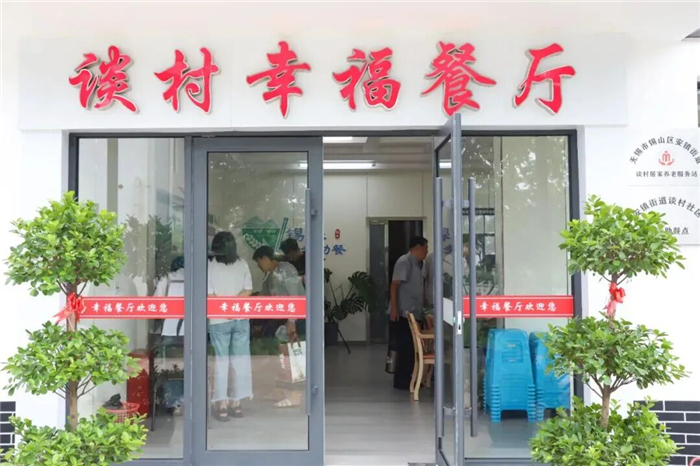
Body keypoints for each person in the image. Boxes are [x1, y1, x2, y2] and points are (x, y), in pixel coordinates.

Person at [208, 232, 253, 422]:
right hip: (240, 318)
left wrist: (224, 309)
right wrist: (234, 307)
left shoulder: (210, 266)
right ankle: (237, 403)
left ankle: (222, 405)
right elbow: (248, 289)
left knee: (221, 361)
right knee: (240, 360)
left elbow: (210, 295)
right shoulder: (242, 263)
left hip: (219, 320)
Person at [253, 245, 306, 408]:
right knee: (278, 355)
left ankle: (296, 395)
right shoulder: (270, 276)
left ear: (265, 258)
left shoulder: (286, 270)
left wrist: (292, 320)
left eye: (258, 262)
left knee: (293, 356)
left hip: (295, 318)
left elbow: (294, 296)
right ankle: (278, 391)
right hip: (280, 319)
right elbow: (264, 297)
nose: (258, 266)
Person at [390, 236, 429, 390]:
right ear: (417, 248)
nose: (427, 251)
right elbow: (394, 285)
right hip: (404, 313)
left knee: (412, 349)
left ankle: (411, 378)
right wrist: (394, 308)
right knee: (405, 348)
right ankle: (402, 381)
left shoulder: (419, 264)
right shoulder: (404, 262)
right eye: (425, 248)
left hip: (415, 311)